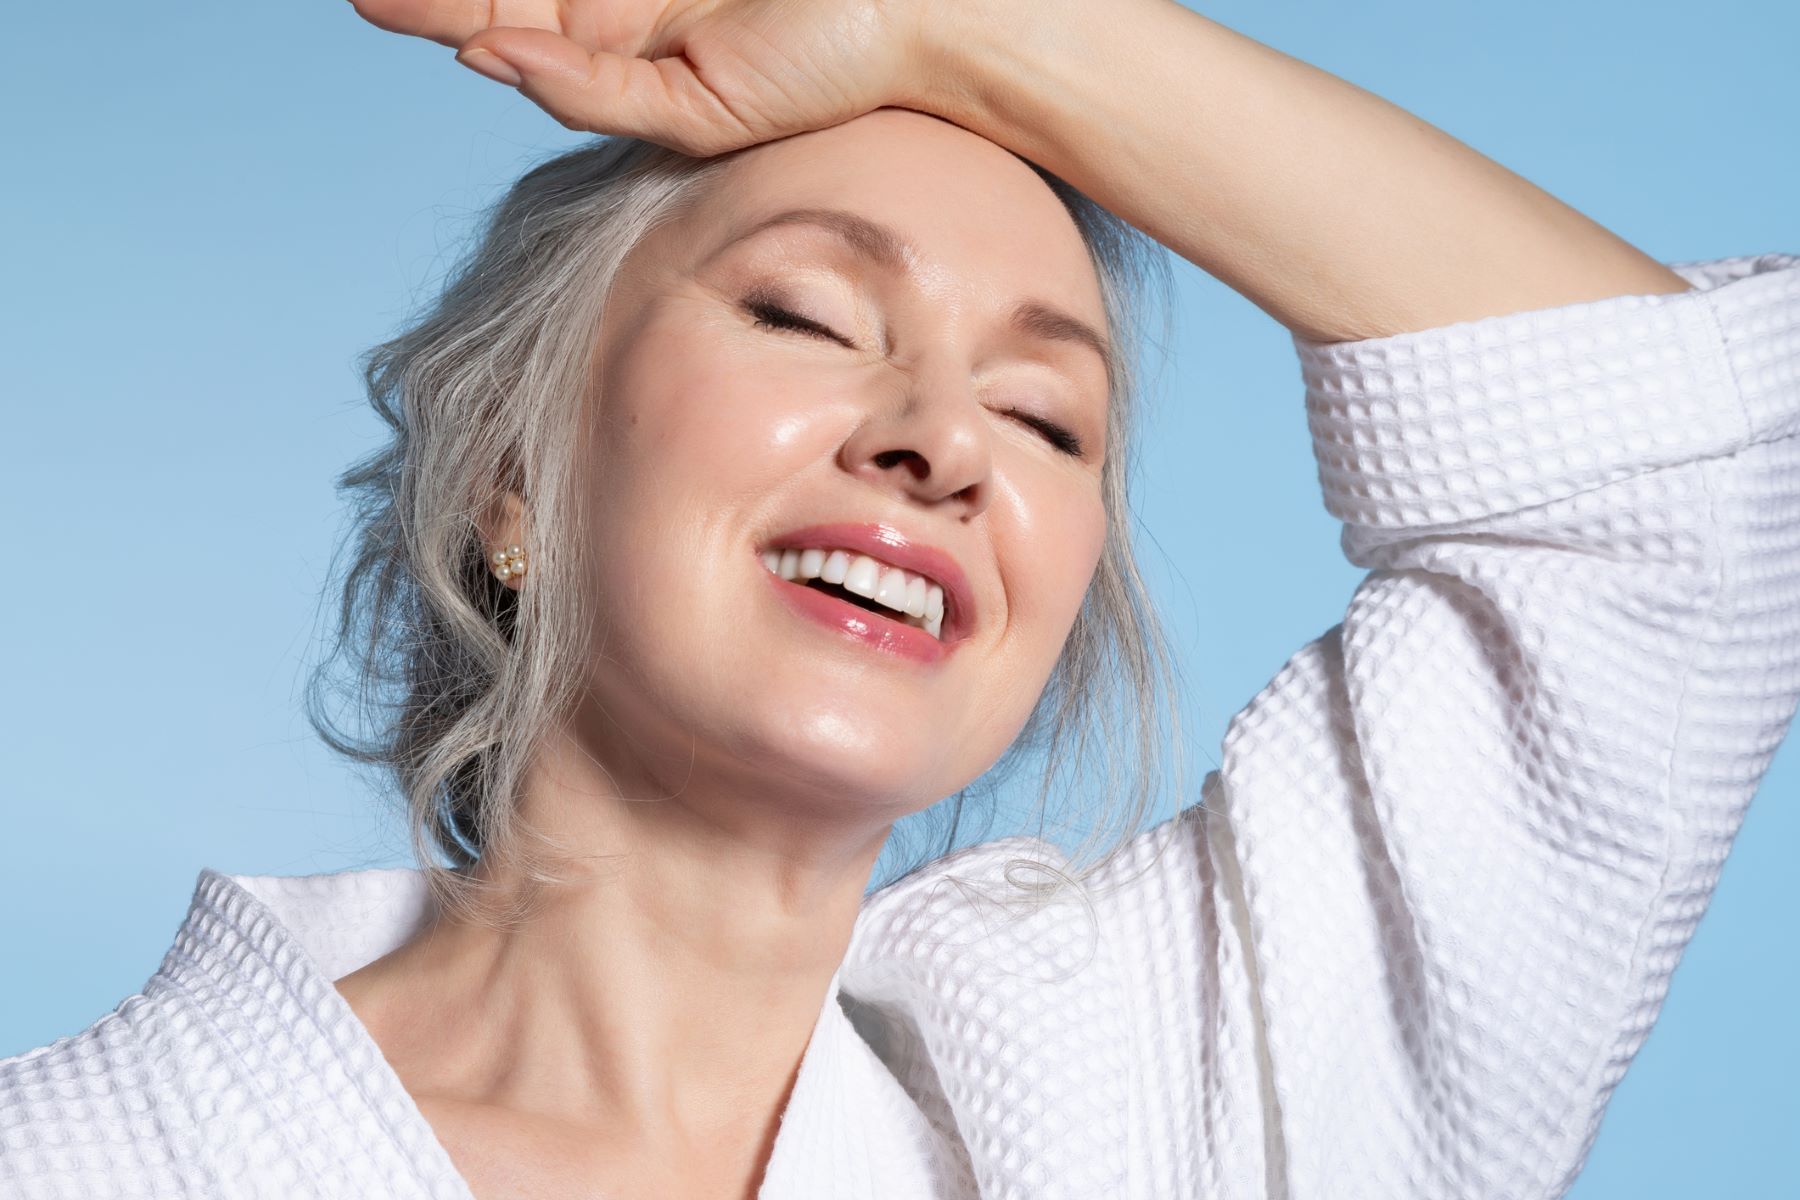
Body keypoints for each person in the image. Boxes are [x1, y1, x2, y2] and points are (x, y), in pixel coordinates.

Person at [3, 1, 1796, 1197]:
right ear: (514, 479)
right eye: (803, 316)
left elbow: (1685, 493)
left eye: (1046, 415)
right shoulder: (82, 1158)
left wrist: (961, 20)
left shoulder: (1154, 1100)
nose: (944, 445)